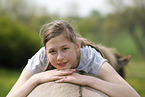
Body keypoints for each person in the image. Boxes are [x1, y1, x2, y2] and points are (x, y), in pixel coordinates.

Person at [7, 20, 140, 97]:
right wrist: (36, 79)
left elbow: (132, 95)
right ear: (46, 52)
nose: (59, 57)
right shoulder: (40, 58)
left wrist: (88, 80)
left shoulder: (90, 57)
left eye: (65, 49)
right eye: (52, 51)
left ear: (76, 46)